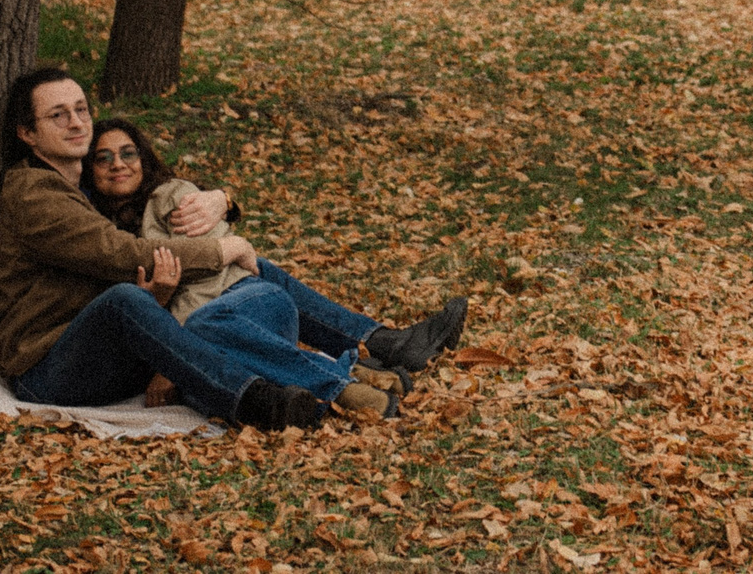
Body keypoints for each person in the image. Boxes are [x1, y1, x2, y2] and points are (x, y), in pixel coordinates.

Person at [0, 67, 463, 432]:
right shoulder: (33, 193)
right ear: (27, 134)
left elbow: (160, 201)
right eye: (57, 115)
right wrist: (224, 249)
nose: (75, 122)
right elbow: (116, 252)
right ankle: (271, 396)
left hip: (112, 353)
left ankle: (371, 350)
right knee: (158, 302)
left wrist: (224, 202)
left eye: (81, 108)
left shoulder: (86, 188)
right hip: (50, 366)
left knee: (230, 288)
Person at [82, 116, 470, 416]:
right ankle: (356, 371)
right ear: (90, 170)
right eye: (103, 158)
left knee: (203, 331)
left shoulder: (170, 197)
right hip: (227, 333)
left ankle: (344, 388)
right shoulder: (101, 231)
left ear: (143, 158)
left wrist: (171, 356)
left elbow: (209, 278)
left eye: (128, 153)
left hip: (248, 299)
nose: (118, 164)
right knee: (209, 380)